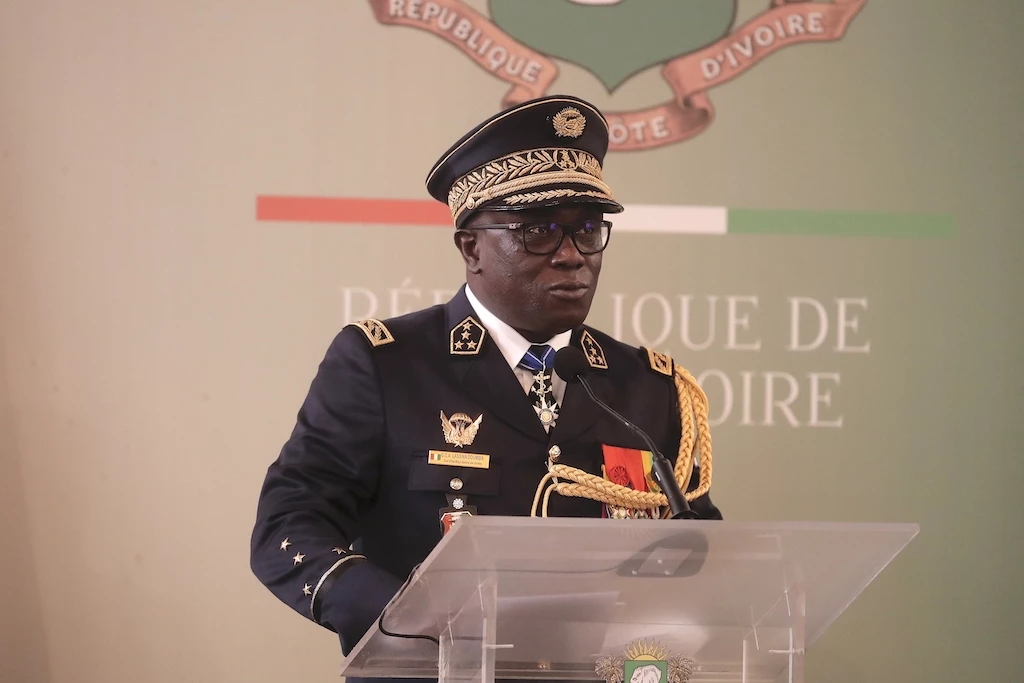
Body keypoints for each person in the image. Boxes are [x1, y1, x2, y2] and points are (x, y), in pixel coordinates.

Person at [249, 94, 722, 664]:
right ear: (471, 247)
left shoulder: (648, 389)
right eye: (540, 231)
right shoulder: (385, 365)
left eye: (587, 229)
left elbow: (698, 556)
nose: (572, 255)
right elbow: (290, 523)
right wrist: (406, 617)